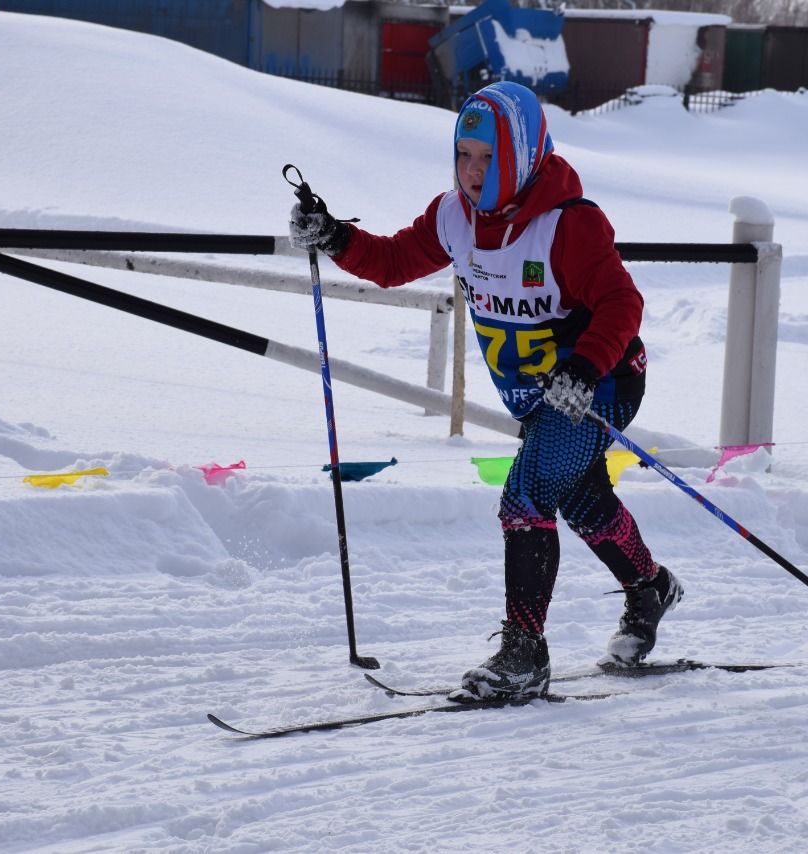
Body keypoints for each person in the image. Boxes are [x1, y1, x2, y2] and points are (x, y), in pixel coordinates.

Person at [288, 81, 683, 701]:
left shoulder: (566, 226)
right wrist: (335, 236)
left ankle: (525, 653)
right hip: (534, 395)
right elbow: (392, 262)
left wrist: (583, 369)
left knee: (526, 494)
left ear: (522, 157)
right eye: (463, 155)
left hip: (599, 383)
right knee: (580, 500)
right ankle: (649, 588)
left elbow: (621, 302)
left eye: (488, 158)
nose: (473, 172)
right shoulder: (454, 217)